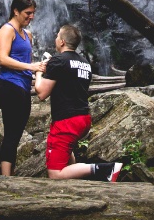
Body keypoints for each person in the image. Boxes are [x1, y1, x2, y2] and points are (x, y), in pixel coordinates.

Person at [34, 24, 122, 181]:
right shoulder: (85, 63)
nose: (55, 38)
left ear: (61, 42)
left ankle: (104, 169)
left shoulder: (58, 60)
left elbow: (41, 93)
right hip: (83, 119)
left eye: (57, 36)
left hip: (67, 121)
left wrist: (39, 71)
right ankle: (75, 185)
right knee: (67, 152)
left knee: (55, 174)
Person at [0, 0, 41, 176]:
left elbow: (27, 62)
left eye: (33, 13)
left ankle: (8, 174)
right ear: (15, 10)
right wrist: (31, 66)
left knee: (16, 132)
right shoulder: (7, 30)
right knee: (12, 133)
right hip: (9, 85)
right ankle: (6, 178)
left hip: (22, 86)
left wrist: (38, 69)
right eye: (27, 13)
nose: (31, 17)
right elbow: (3, 59)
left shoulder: (27, 34)